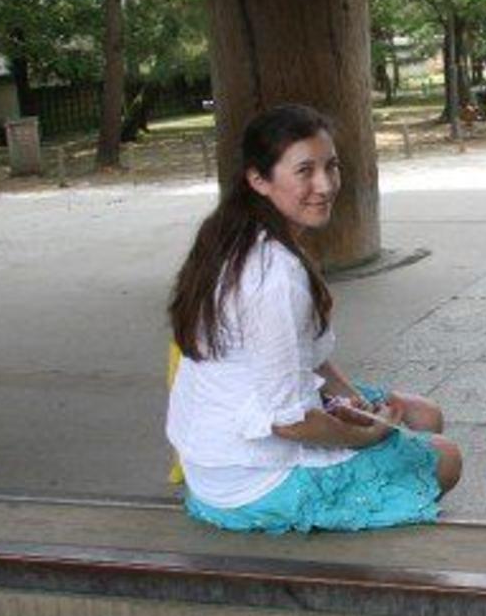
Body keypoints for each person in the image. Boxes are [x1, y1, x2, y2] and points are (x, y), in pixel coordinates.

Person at [167, 105, 462, 534]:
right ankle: (362, 542)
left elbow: (309, 358)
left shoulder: (240, 233)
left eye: (331, 166)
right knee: (446, 456)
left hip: (219, 451)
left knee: (421, 413)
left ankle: (384, 507)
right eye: (304, 170)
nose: (324, 185)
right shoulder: (273, 276)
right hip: (248, 480)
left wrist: (354, 401)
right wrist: (367, 436)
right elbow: (290, 422)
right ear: (258, 179)